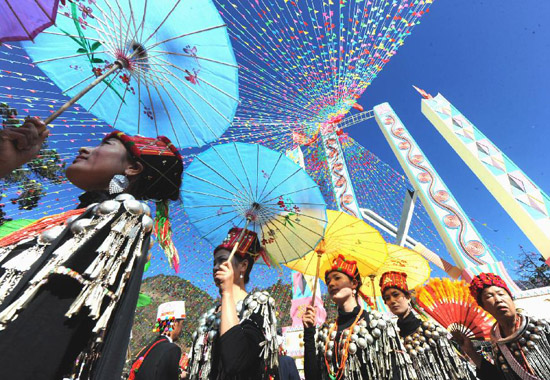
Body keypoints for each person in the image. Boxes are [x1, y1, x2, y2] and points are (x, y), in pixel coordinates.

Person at [0, 125, 183, 380]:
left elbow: (40, 335)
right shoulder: (65, 221)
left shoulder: (121, 221)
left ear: (132, 169)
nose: (86, 148)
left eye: (104, 145)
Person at [187, 227, 279, 380]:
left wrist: (227, 292)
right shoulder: (211, 314)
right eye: (214, 262)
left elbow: (236, 362)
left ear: (243, 265)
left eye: (223, 260)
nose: (216, 267)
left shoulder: (259, 304)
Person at [302, 254, 409, 380]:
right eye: (328, 281)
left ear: (353, 283)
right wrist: (309, 332)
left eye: (337, 278)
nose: (331, 284)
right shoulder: (326, 332)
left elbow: (396, 372)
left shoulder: (377, 323)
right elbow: (313, 377)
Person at [380, 271, 476, 380]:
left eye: (396, 295)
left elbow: (457, 370)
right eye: (387, 298)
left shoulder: (431, 331)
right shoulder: (394, 340)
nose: (392, 301)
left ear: (407, 297)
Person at [454, 272, 550, 380]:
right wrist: (470, 351)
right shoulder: (497, 346)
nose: (498, 300)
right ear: (484, 307)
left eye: (501, 294)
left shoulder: (542, 328)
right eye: (489, 296)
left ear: (511, 298)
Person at [129, 301, 186, 380]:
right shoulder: (172, 349)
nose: (181, 329)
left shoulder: (148, 347)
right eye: (181, 324)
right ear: (175, 324)